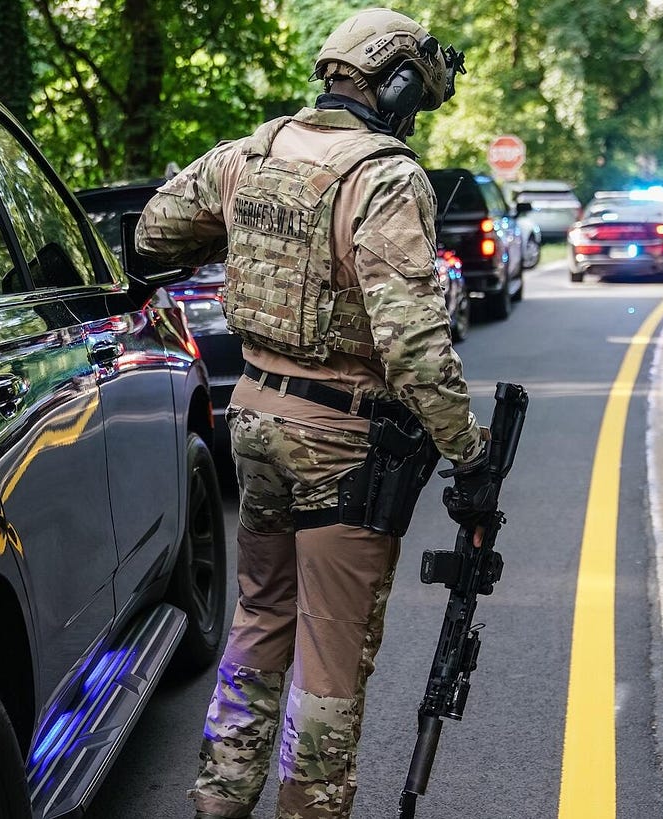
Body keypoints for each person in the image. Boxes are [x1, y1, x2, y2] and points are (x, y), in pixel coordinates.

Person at [135, 8, 497, 819]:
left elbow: (154, 233)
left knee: (259, 619)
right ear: (397, 81)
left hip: (253, 419)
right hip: (339, 439)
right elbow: (411, 344)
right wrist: (466, 451)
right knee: (332, 653)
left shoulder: (250, 154)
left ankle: (219, 798)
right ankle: (310, 808)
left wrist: (244, 237)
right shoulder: (385, 176)